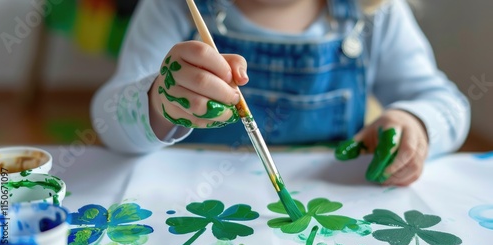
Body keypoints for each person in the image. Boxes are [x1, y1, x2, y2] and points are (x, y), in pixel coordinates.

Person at [91, 0, 470, 186]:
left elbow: (449, 105)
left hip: (330, 209)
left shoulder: (376, 12)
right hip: (196, 207)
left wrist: (415, 124)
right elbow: (107, 119)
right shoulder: (173, 7)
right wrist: (158, 102)